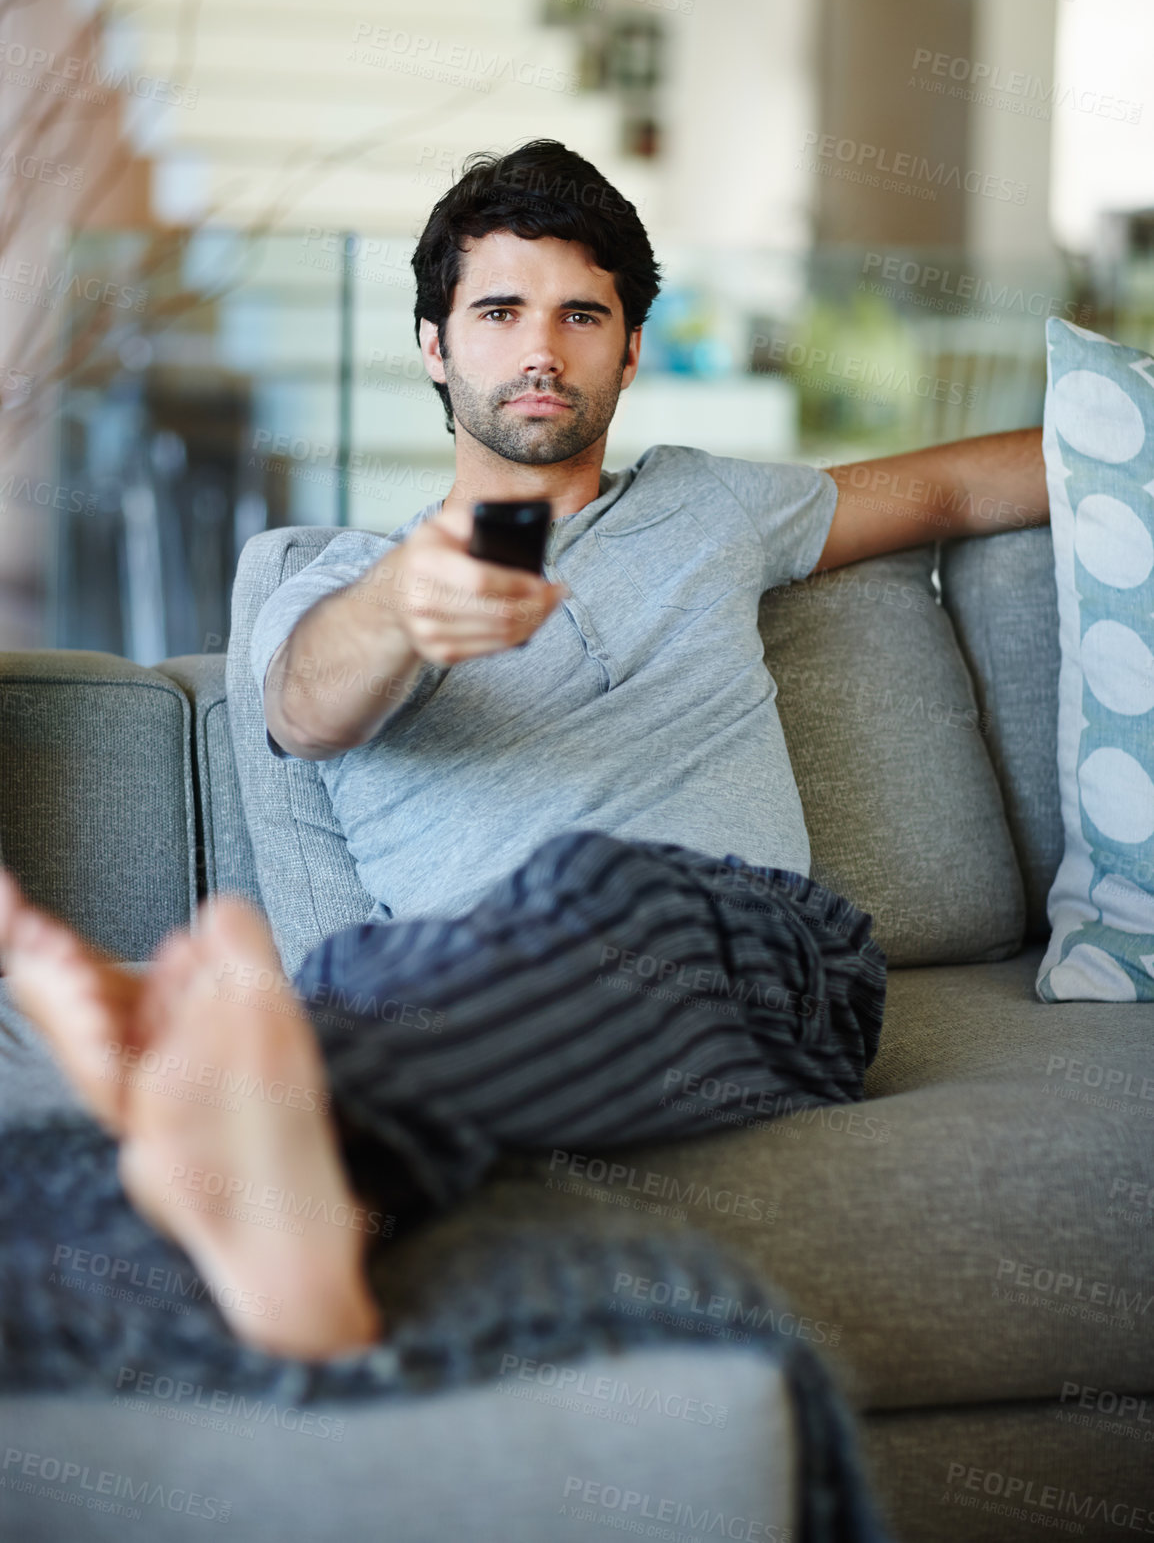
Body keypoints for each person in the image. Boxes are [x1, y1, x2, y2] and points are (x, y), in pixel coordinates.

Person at [0, 139, 1046, 1377]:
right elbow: (305, 703)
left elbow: (952, 493)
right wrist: (407, 608)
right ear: (435, 346)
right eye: (497, 311)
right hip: (445, 982)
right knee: (384, 982)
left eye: (580, 314)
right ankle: (305, 1208)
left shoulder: (714, 505)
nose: (540, 349)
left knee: (598, 890)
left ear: (629, 347)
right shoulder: (329, 584)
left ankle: (249, 1107)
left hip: (757, 965)